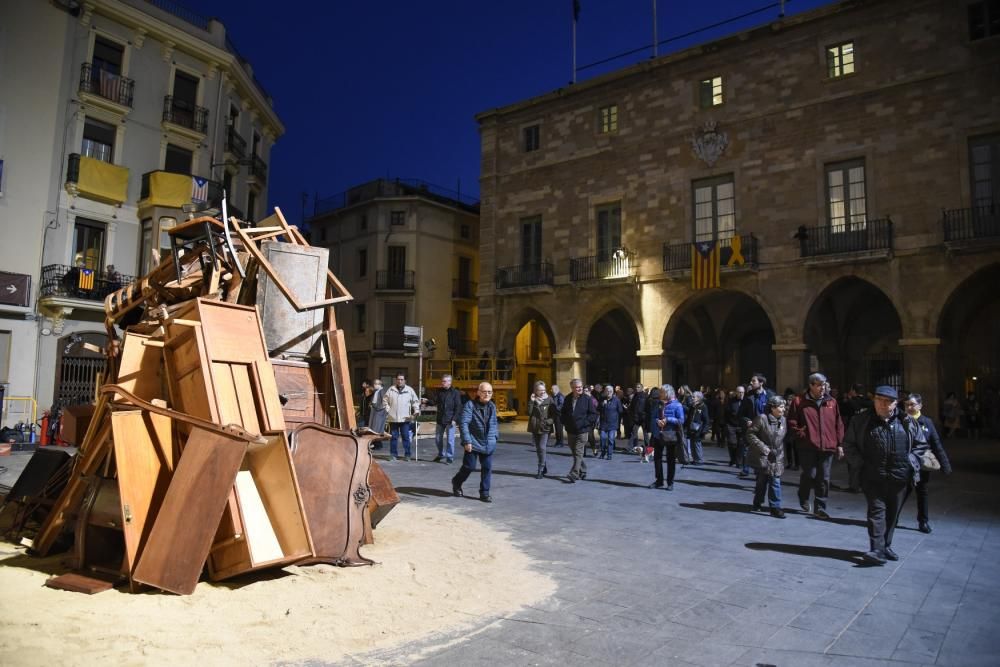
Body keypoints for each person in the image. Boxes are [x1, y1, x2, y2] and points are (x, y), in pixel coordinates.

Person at [843, 385, 921, 565]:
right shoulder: (861, 420)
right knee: (876, 512)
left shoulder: (907, 421)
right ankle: (876, 549)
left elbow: (920, 445)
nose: (882, 405)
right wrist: (860, 465)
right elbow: (849, 445)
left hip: (900, 476)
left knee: (893, 514)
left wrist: (911, 463)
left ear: (896, 403)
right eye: (879, 400)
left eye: (888, 401)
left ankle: (886, 545)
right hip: (872, 475)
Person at [787, 372, 845, 519]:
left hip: (828, 446)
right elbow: (792, 422)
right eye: (819, 385)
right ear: (811, 385)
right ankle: (803, 496)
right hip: (807, 445)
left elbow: (839, 424)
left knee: (824, 478)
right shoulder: (799, 401)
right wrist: (801, 434)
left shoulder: (831, 402)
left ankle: (820, 506)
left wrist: (839, 444)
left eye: (824, 385)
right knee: (809, 475)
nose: (823, 388)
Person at [901, 393, 952, 533]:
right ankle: (892, 519)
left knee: (922, 492)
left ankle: (923, 521)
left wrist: (945, 465)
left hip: (921, 464)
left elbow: (936, 444)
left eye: (912, 404)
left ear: (920, 405)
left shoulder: (927, 422)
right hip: (904, 464)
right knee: (901, 492)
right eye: (906, 405)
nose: (909, 407)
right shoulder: (900, 421)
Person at [452, 382, 499, 502]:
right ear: (478, 392)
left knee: (487, 468)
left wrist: (494, 438)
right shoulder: (470, 405)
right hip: (473, 442)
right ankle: (457, 482)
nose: (487, 394)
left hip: (488, 443)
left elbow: (494, 424)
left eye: (489, 392)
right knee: (469, 467)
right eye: (484, 392)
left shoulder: (492, 406)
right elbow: (464, 423)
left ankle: (484, 493)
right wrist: (467, 441)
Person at [746, 395, 789, 518]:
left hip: (776, 457)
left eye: (784, 406)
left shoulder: (784, 420)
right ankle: (758, 502)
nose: (783, 409)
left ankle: (775, 507)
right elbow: (750, 434)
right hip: (763, 456)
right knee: (761, 481)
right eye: (781, 407)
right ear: (772, 408)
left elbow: (781, 439)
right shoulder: (761, 419)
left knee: (775, 481)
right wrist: (765, 449)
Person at [738, 373, 775, 478]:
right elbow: (741, 414)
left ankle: (763, 475)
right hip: (753, 430)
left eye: (754, 381)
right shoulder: (749, 396)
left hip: (767, 430)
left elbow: (776, 413)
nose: (751, 383)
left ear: (761, 383)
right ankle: (755, 473)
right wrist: (747, 421)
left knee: (765, 453)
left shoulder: (770, 396)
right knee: (753, 452)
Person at [561, 378, 597, 483]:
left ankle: (574, 473)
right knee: (576, 453)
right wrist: (564, 421)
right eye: (577, 387)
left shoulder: (587, 399)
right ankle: (583, 470)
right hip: (571, 430)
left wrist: (585, 423)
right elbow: (563, 412)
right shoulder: (567, 398)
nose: (580, 389)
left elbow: (593, 414)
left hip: (583, 430)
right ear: (572, 388)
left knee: (578, 451)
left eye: (581, 387)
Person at [649, 384, 684, 490]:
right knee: (657, 459)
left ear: (667, 393)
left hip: (670, 435)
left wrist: (668, 420)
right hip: (658, 435)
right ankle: (659, 480)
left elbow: (681, 420)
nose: (660, 394)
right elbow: (654, 416)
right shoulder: (658, 403)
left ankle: (670, 482)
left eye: (662, 392)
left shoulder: (677, 405)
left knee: (670, 459)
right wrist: (657, 421)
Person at [383, 373, 420, 461]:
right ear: (396, 380)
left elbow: (415, 401)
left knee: (406, 437)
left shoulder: (409, 390)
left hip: (405, 418)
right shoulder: (391, 389)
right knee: (393, 438)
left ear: (405, 380)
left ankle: (407, 455)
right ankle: (393, 454)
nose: (400, 381)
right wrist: (388, 410)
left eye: (402, 379)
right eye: (398, 379)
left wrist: (416, 411)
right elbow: (384, 401)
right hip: (393, 418)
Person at [429, 374, 463, 464]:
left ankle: (449, 457)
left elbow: (458, 407)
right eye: (442, 381)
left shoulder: (455, 393)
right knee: (437, 439)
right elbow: (434, 401)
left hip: (450, 420)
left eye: (444, 381)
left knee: (450, 440)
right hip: (440, 419)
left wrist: (454, 419)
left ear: (449, 382)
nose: (442, 383)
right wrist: (427, 401)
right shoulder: (439, 392)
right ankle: (441, 454)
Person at [526, 380, 557, 478]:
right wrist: (531, 401)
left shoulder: (549, 399)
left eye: (544, 390)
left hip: (545, 427)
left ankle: (540, 469)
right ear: (535, 390)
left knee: (542, 447)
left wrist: (549, 422)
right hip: (535, 427)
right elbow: (529, 413)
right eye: (540, 390)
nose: (543, 392)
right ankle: (544, 466)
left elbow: (555, 414)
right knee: (538, 448)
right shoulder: (533, 400)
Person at [598, 385, 624, 460]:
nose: (609, 392)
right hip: (603, 423)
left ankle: (609, 455)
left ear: (613, 392)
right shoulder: (602, 399)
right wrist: (602, 405)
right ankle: (603, 453)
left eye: (610, 391)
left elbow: (620, 411)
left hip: (612, 423)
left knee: (611, 439)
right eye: (607, 391)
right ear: (605, 391)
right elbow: (598, 409)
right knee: (602, 439)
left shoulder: (616, 400)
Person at [685, 391, 710, 465]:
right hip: (691, 428)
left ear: (698, 398)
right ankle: (695, 459)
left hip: (698, 429)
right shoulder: (692, 406)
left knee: (697, 445)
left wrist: (704, 430)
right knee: (692, 444)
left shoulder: (703, 406)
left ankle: (700, 460)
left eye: (693, 397)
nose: (692, 398)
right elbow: (689, 417)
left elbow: (706, 420)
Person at [724, 387, 745, 466]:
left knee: (741, 444)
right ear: (736, 392)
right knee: (732, 443)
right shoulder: (731, 401)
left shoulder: (746, 401)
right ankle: (733, 459)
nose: (741, 394)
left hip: (742, 426)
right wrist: (727, 424)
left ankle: (738, 462)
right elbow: (726, 413)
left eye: (742, 392)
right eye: (739, 392)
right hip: (731, 425)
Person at [629, 383, 649, 454]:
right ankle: (633, 447)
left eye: (638, 387)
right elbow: (633, 407)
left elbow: (646, 407)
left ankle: (647, 448)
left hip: (643, 418)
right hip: (636, 418)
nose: (637, 388)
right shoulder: (635, 395)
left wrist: (644, 416)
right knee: (634, 433)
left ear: (641, 388)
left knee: (645, 433)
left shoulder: (645, 396)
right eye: (636, 387)